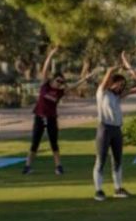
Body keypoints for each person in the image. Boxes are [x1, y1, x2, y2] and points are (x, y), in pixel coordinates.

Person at [24, 45, 92, 175]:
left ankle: (58, 166)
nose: (59, 83)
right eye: (58, 80)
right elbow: (45, 69)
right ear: (53, 79)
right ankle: (27, 166)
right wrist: (51, 54)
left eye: (62, 82)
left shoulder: (60, 91)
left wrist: (85, 79)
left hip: (51, 118)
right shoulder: (45, 84)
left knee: (53, 143)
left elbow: (74, 86)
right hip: (39, 116)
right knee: (35, 143)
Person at [93, 65, 136, 202]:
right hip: (104, 129)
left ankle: (118, 188)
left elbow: (134, 90)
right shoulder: (102, 92)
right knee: (101, 160)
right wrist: (112, 69)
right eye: (119, 84)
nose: (121, 87)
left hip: (116, 129)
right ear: (112, 82)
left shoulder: (117, 96)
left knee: (117, 160)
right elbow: (105, 80)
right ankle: (98, 191)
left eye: (123, 85)